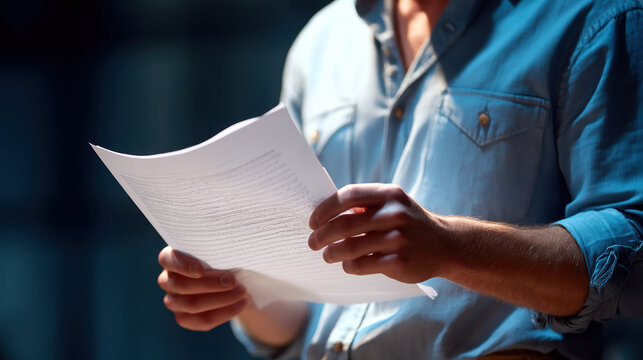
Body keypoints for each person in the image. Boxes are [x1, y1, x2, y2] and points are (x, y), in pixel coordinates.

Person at [156, 0, 643, 358]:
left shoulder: (593, 18)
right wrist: (237, 290)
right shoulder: (321, 42)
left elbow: (633, 251)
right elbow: (298, 324)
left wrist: (451, 246)